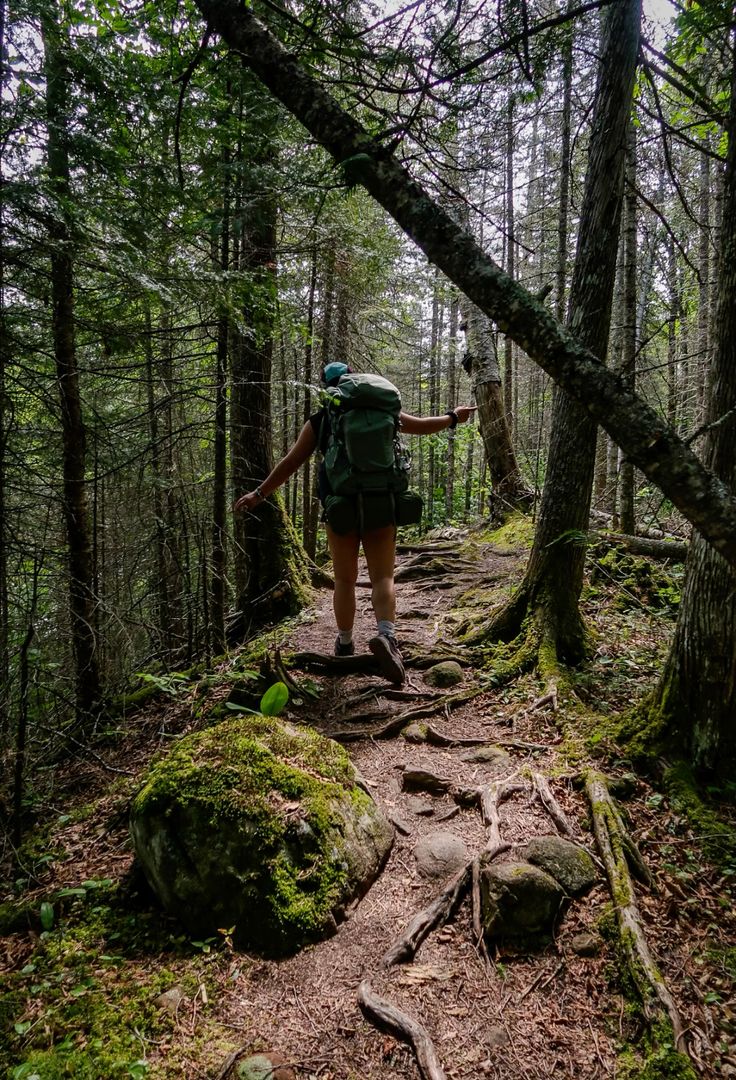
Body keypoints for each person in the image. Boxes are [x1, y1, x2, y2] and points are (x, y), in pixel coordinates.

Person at [234, 362, 477, 686]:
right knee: (383, 577)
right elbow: (422, 426)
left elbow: (290, 463)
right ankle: (387, 637)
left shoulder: (320, 422)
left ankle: (345, 644)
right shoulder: (384, 412)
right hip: (381, 504)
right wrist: (453, 417)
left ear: (328, 388)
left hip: (342, 508)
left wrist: (258, 494)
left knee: (345, 581)